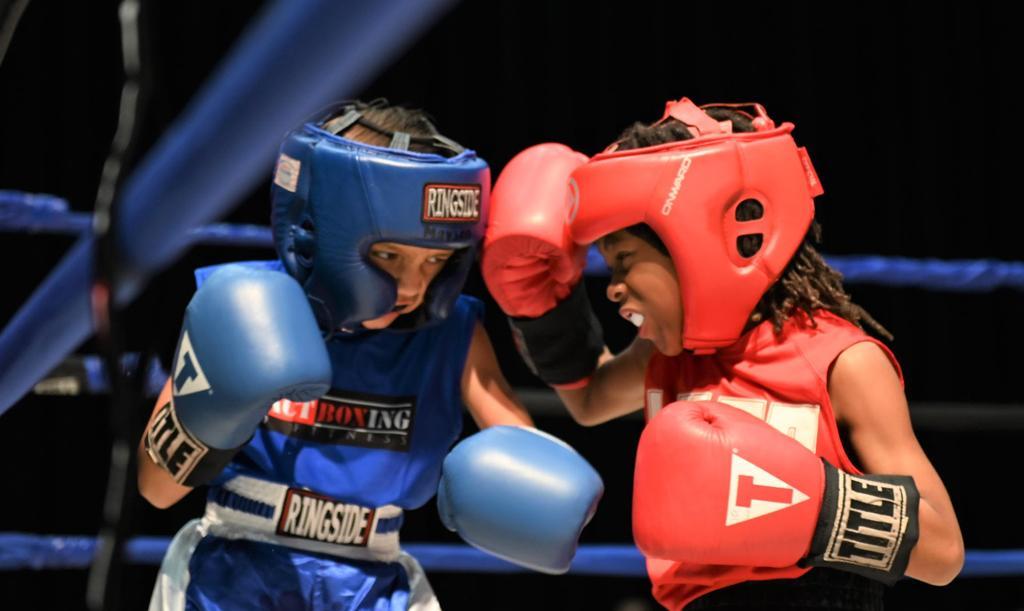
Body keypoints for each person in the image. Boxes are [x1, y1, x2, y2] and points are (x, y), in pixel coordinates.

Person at [481, 98, 964, 610]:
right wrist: (545, 313)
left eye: (625, 259)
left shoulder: (843, 361)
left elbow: (943, 551)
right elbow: (590, 398)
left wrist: (816, 507)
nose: (613, 287)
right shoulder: (666, 357)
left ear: (696, 242)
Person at [137, 100, 603, 610]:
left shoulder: (452, 334)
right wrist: (217, 418)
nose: (413, 285)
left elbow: (526, 462)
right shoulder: (247, 309)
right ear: (325, 232)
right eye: (388, 254)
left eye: (436, 260)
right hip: (231, 572)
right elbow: (155, 487)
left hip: (376, 583)